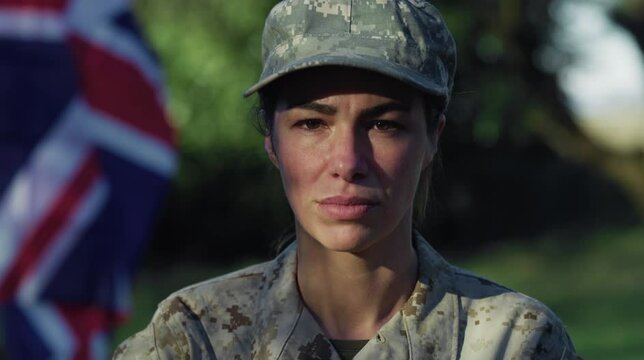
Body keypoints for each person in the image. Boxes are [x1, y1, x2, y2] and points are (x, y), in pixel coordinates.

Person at [114, 0, 580, 359]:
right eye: (312, 124)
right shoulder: (194, 336)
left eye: (384, 124)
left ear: (433, 138)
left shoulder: (513, 340)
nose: (347, 161)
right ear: (271, 140)